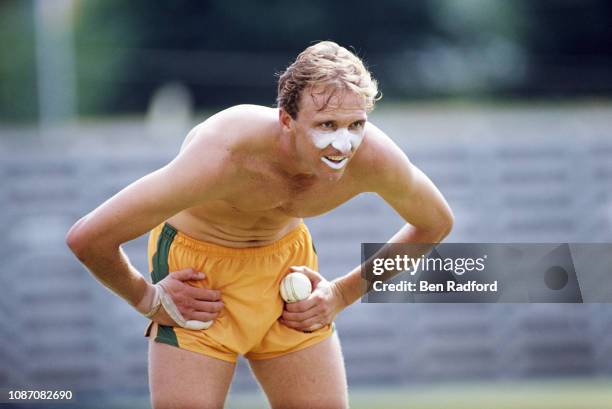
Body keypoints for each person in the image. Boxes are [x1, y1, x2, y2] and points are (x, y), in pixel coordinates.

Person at [66, 41, 453, 409]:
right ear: (287, 119)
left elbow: (434, 224)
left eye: (356, 125)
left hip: (288, 274)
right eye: (327, 124)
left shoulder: (374, 157)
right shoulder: (225, 154)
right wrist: (147, 299)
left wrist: (341, 294)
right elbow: (89, 238)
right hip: (200, 283)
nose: (343, 144)